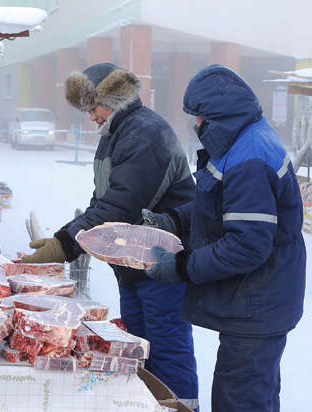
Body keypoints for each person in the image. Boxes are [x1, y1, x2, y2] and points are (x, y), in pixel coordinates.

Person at [21, 63, 199, 409]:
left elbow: (121, 206)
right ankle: (150, 405)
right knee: (140, 347)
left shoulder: (145, 133)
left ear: (111, 99)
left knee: (167, 346)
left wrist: (64, 244)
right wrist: (69, 237)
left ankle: (182, 407)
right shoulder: (115, 136)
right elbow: (101, 201)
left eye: (93, 107)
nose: (91, 117)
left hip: (163, 264)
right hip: (131, 266)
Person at [146, 65, 305, 412]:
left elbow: (246, 246)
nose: (196, 125)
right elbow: (217, 204)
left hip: (258, 306)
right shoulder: (240, 143)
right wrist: (172, 220)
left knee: (240, 401)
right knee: (252, 396)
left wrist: (181, 266)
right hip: (255, 303)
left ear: (221, 117)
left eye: (200, 117)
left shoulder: (250, 158)